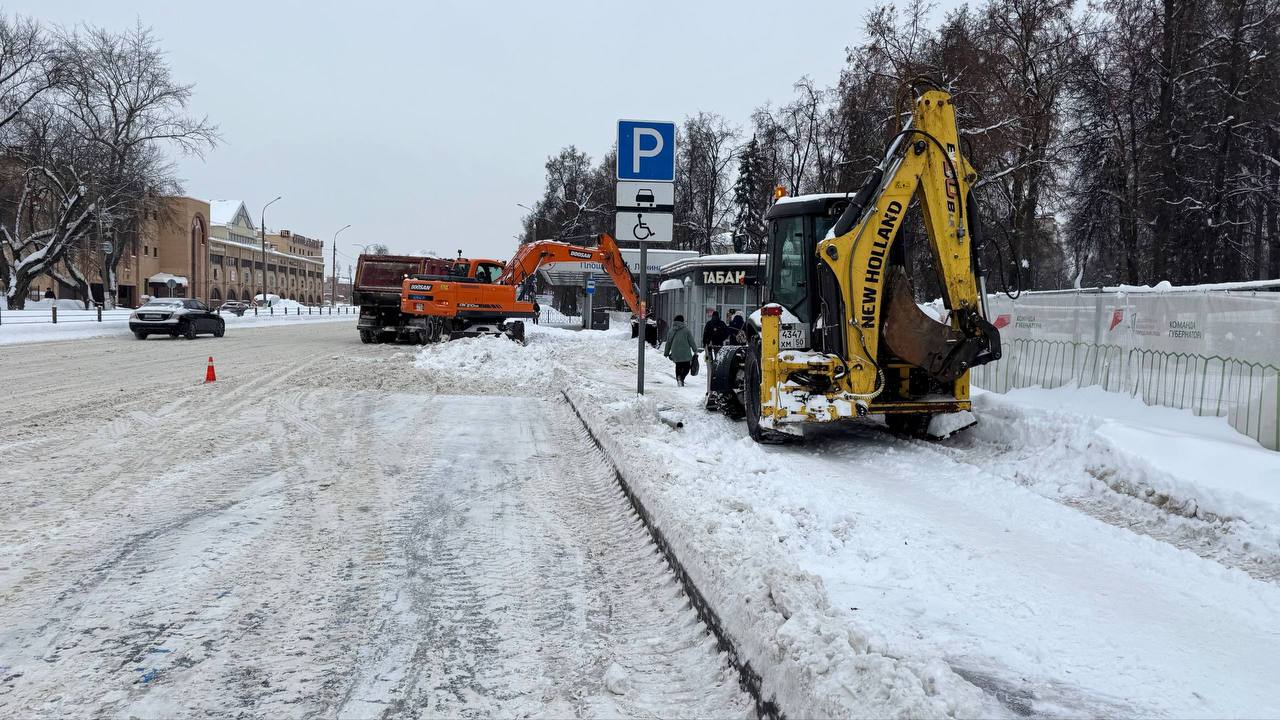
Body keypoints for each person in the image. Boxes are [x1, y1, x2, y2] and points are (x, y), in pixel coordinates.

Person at [664, 314, 698, 387]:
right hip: (685, 352)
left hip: (675, 352)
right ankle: (681, 378)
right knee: (687, 366)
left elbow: (668, 343)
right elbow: (691, 341)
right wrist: (695, 350)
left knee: (678, 366)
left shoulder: (671, 331)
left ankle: (679, 378)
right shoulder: (686, 330)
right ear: (682, 321)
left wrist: (666, 353)